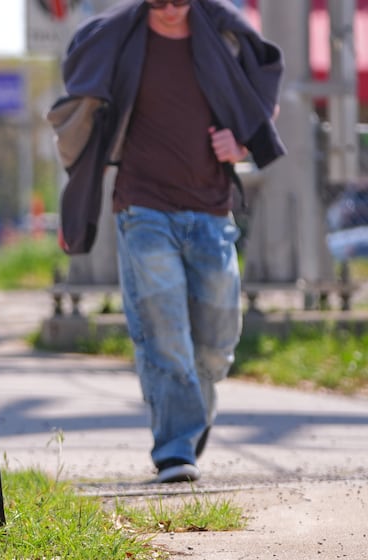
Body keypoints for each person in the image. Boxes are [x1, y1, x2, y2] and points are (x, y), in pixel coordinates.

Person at [51, 0, 286, 483]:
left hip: (212, 208)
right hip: (143, 207)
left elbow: (262, 89)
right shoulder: (119, 36)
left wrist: (243, 142)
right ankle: (175, 448)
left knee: (217, 340)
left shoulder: (223, 34)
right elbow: (82, 86)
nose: (173, 9)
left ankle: (189, 417)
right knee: (164, 332)